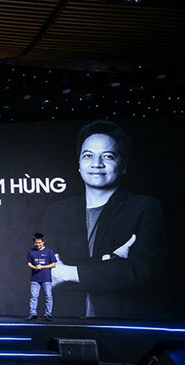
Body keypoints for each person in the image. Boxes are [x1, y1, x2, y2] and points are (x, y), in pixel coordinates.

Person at [43, 120, 167, 318]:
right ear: (79, 164)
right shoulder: (57, 212)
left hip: (122, 328)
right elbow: (48, 276)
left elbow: (140, 273)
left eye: (108, 156)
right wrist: (110, 262)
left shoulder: (144, 207)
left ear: (123, 165)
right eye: (88, 155)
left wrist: (68, 273)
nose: (96, 164)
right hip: (67, 324)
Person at [25, 233, 57, 321]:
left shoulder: (49, 251)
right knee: (33, 296)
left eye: (39, 243)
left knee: (48, 296)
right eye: (36, 243)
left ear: (43, 242)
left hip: (46, 278)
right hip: (35, 278)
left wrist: (42, 267)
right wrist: (35, 267)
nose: (38, 244)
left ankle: (48, 314)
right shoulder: (31, 251)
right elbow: (29, 263)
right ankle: (33, 313)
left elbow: (54, 264)